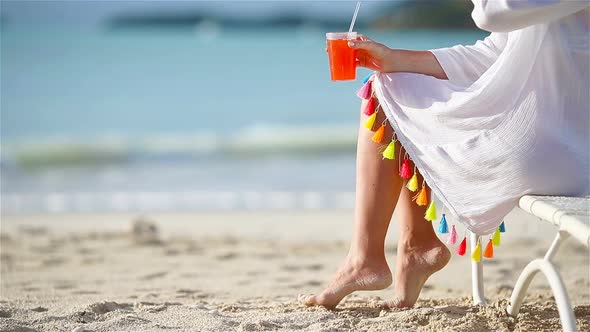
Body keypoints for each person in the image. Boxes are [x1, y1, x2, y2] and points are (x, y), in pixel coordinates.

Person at [300, 0, 590, 309]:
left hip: (561, 150)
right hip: (554, 144)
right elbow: (494, 54)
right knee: (394, 84)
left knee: (387, 100)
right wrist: (394, 60)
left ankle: (367, 258)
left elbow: (495, 11)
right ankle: (415, 246)